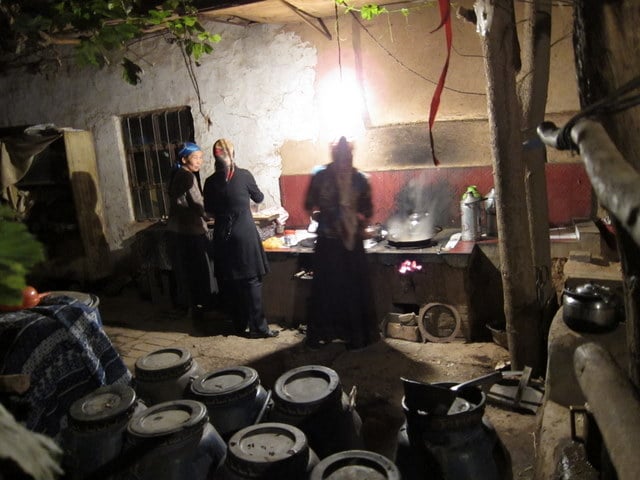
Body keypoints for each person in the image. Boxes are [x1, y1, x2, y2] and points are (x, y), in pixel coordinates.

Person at [304, 136, 380, 351]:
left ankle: (320, 336)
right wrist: (357, 220)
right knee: (354, 289)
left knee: (324, 290)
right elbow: (367, 210)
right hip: (350, 243)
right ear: (351, 155)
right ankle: (355, 337)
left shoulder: (320, 176)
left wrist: (324, 213)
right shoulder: (359, 178)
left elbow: (308, 203)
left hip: (328, 243)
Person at [203, 138, 279, 339]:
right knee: (252, 281)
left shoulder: (210, 182)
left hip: (222, 235)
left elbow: (209, 212)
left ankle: (238, 324)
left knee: (230, 282)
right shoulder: (244, 175)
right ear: (233, 155)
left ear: (215, 157)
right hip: (244, 234)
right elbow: (259, 198)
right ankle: (259, 328)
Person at [166, 142, 214, 321]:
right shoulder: (188, 177)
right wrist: (208, 216)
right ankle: (201, 306)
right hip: (190, 231)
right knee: (199, 270)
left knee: (185, 271)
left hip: (177, 230)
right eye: (196, 158)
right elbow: (197, 204)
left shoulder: (176, 174)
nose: (200, 161)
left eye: (201, 157)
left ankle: (188, 305)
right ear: (184, 158)